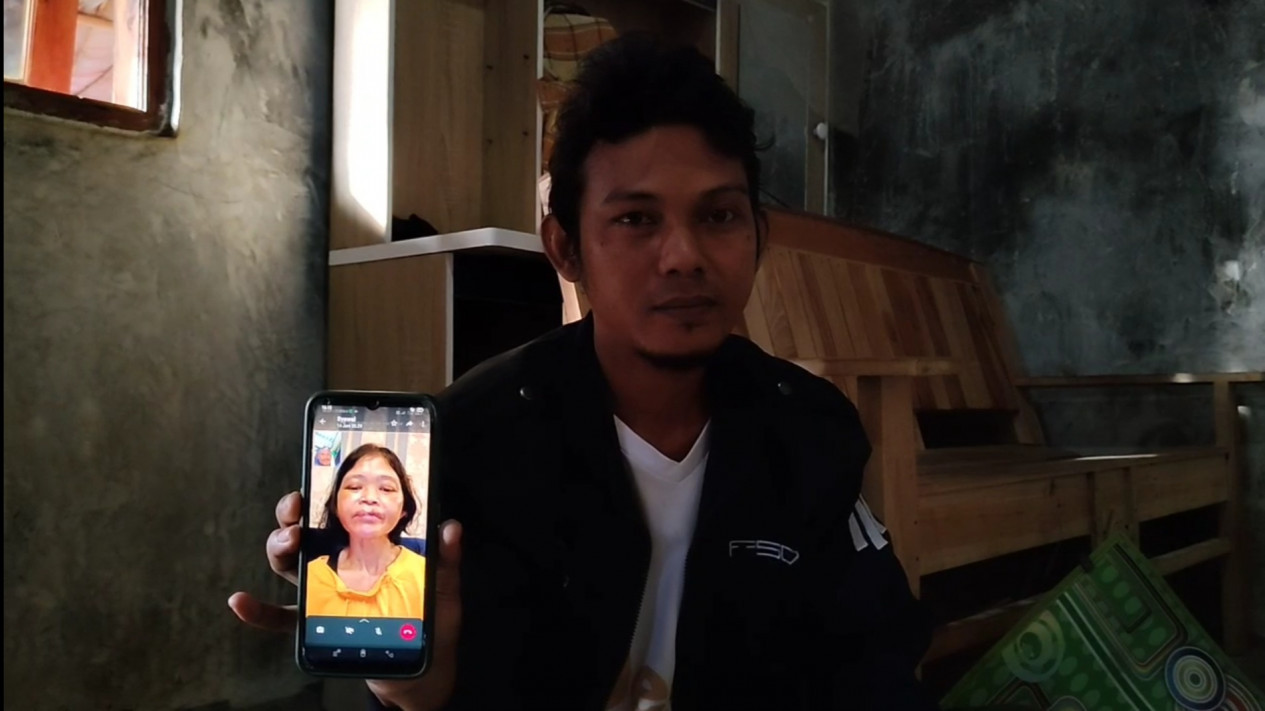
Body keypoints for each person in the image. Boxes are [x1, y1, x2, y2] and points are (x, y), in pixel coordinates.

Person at [230, 33, 938, 710]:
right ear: (565, 248)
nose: (684, 256)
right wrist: (415, 690)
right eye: (636, 220)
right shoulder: (472, 442)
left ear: (757, 237)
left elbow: (876, 661)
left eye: (719, 216)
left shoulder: (809, 431)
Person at [305, 443, 426, 620]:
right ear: (335, 505)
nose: (369, 498)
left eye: (386, 489)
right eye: (354, 487)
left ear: (404, 509)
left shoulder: (425, 575)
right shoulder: (311, 575)